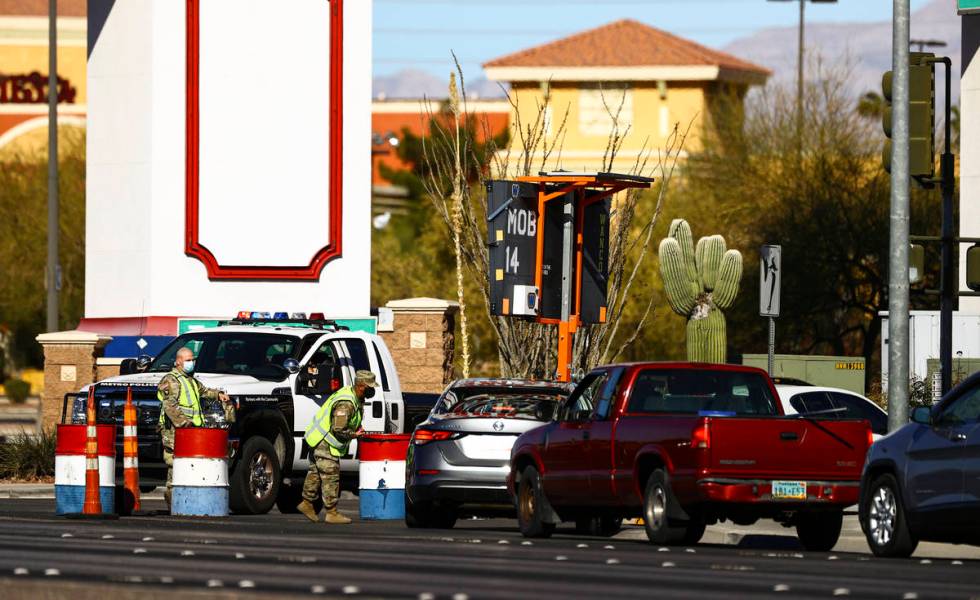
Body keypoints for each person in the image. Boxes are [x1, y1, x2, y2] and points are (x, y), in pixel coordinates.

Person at [157, 347, 236, 509]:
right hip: (176, 431)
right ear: (178, 361)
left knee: (188, 464)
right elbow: (170, 406)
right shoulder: (170, 380)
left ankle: (183, 499)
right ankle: (173, 499)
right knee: (175, 463)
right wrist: (185, 424)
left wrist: (219, 394)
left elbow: (204, 391)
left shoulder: (190, 380)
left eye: (192, 360)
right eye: (188, 360)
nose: (191, 363)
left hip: (191, 431)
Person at [298, 369, 377, 524]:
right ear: (361, 386)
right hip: (325, 442)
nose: (372, 391)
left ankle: (306, 503)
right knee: (330, 475)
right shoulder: (346, 403)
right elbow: (339, 429)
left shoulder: (352, 395)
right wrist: (355, 435)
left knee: (315, 472)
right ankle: (331, 512)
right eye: (370, 387)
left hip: (318, 439)